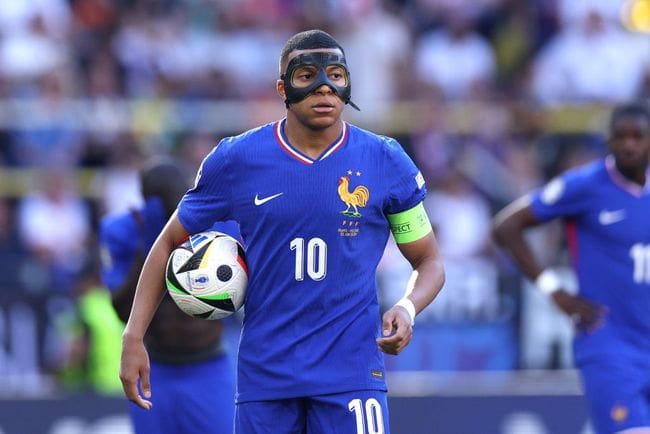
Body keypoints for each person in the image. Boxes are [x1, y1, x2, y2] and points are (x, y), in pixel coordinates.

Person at [119, 29, 445, 434]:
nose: (324, 88)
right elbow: (169, 242)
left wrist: (407, 307)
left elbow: (428, 261)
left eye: (336, 76)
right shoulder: (237, 159)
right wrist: (134, 337)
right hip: (266, 377)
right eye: (307, 76)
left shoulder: (385, 160)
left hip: (351, 374)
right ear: (282, 87)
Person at [492, 101, 650, 434]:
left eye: (638, 136)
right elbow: (506, 226)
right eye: (620, 136)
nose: (629, 144)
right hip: (610, 344)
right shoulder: (585, 186)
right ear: (608, 142)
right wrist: (555, 290)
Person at [100, 158, 238, 434]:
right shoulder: (124, 230)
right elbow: (121, 308)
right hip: (154, 367)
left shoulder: (216, 225)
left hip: (208, 366)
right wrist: (151, 249)